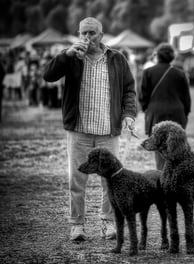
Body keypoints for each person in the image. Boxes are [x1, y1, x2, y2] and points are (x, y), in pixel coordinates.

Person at [43, 17, 137, 241]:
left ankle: (108, 223)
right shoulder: (71, 58)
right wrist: (65, 55)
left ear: (101, 35)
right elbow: (48, 76)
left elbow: (129, 90)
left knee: (111, 180)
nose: (87, 38)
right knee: (77, 179)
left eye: (92, 33)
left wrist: (129, 115)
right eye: (83, 33)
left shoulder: (116, 59)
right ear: (78, 34)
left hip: (108, 130)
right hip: (79, 130)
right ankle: (77, 226)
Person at [139, 42, 191, 170]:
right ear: (172, 57)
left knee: (159, 146)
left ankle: (162, 176)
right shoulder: (180, 73)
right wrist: (186, 113)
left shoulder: (148, 72)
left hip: (155, 112)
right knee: (177, 147)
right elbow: (186, 98)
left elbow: (142, 96)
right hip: (177, 112)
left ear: (157, 55)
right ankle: (176, 176)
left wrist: (147, 109)